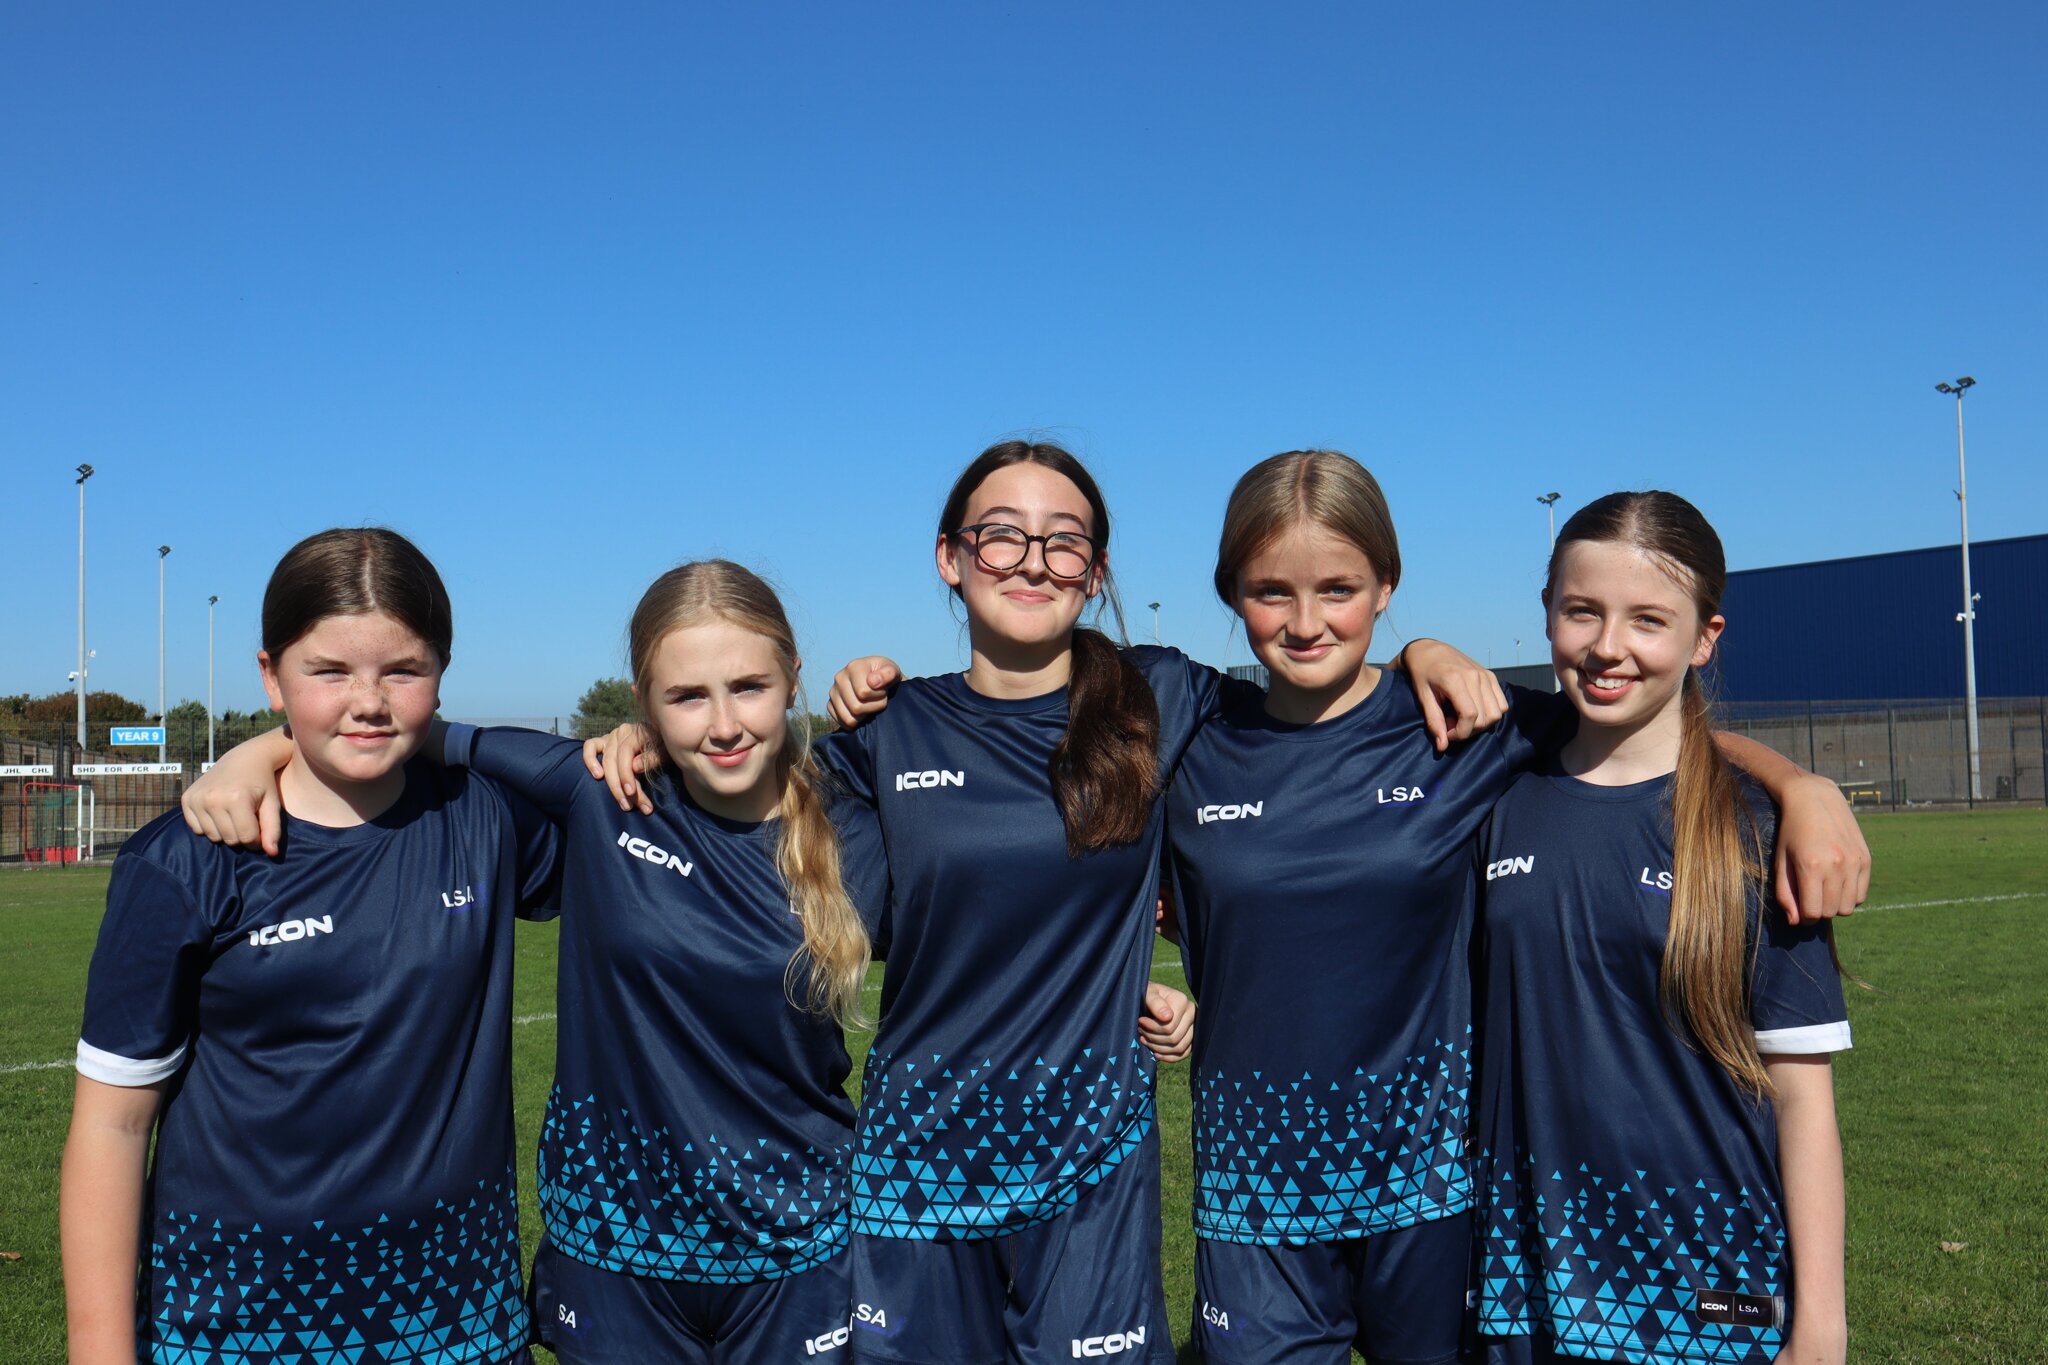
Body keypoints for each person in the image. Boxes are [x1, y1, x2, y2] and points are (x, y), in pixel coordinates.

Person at [590, 440, 1491, 1365]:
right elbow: (759, 802)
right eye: (1000, 537)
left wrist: (1423, 644)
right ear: (949, 556)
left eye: (1063, 542)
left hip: (1091, 1177)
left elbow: (1316, 711)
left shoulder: (1161, 699)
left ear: (1095, 572)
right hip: (916, 1176)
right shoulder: (888, 729)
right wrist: (651, 734)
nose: (1031, 560)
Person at [186, 556, 1194, 1363]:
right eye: (687, 696)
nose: (722, 724)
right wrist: (254, 753)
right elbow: (400, 726)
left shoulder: (856, 819)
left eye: (749, 687)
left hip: (799, 1247)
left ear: (793, 679)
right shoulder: (595, 794)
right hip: (614, 1259)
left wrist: (1124, 982)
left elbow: (994, 912)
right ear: (643, 702)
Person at [1158, 452, 1866, 1365]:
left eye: (1338, 586)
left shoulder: (1467, 742)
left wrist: (1800, 784)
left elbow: (1645, 730)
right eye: (1269, 591)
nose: (1305, 621)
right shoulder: (1191, 728)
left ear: (1385, 586)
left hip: (1439, 1205)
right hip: (1273, 1213)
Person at [60, 528, 562, 1365]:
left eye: (403, 670)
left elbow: (638, 824)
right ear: (270, 675)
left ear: (442, 670)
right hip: (237, 1321)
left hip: (459, 1318)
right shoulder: (185, 860)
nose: (367, 699)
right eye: (327, 672)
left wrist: (622, 744)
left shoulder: (486, 819)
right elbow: (112, 1125)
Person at [1472, 491, 1850, 1365]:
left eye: (1649, 619)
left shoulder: (1755, 831)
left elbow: (1802, 1096)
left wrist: (1821, 1326)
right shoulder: (1496, 796)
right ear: (1547, 615)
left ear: (1705, 636)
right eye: (1582, 611)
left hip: (1708, 1294)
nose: (1608, 646)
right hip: (1520, 1287)